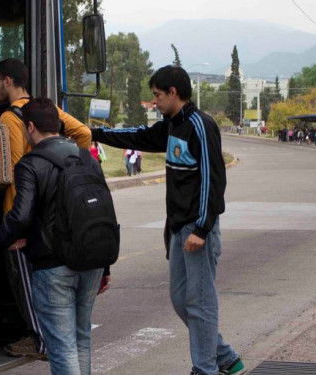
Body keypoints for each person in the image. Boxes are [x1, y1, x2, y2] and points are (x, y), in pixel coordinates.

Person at [90, 65, 245, 375]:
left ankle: (205, 369)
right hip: (177, 229)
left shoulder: (200, 126)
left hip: (197, 229)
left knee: (200, 303)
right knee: (180, 300)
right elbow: (138, 135)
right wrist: (95, 134)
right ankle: (225, 357)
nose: (155, 102)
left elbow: (213, 182)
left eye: (158, 96)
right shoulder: (170, 125)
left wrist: (201, 228)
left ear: (174, 93)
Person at [0, 97, 109, 375]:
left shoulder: (31, 164)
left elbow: (21, 215)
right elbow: (101, 212)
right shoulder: (87, 158)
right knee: (81, 338)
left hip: (53, 266)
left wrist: (1, 237)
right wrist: (104, 266)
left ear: (30, 127)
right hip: (91, 260)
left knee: (61, 347)